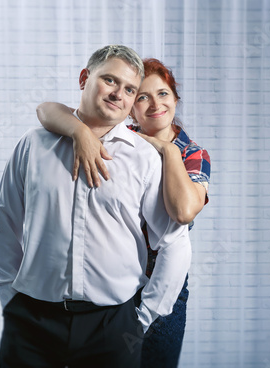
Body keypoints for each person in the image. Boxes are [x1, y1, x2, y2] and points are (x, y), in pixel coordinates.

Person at [0, 46, 192, 368]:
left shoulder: (144, 158)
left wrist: (142, 319)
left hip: (114, 325)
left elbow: (174, 241)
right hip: (31, 320)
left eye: (129, 89)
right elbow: (5, 222)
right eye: (109, 80)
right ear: (85, 78)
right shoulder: (33, 144)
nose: (118, 94)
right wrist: (9, 297)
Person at [36, 58, 211, 368]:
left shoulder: (190, 152)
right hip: (114, 291)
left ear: (175, 99)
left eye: (163, 94)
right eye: (141, 96)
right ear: (130, 106)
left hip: (162, 287)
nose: (154, 104)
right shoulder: (120, 138)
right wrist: (80, 132)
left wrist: (166, 150)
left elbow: (183, 212)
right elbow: (47, 110)